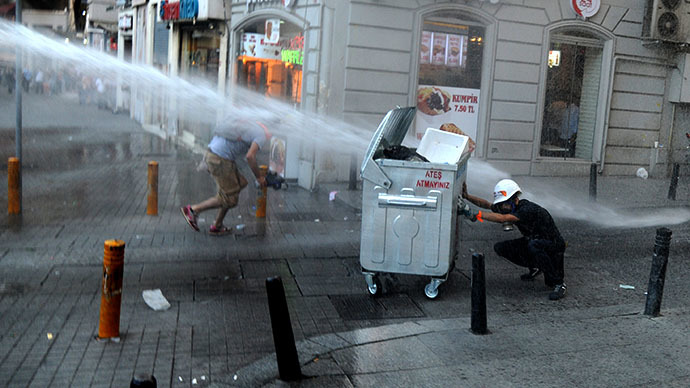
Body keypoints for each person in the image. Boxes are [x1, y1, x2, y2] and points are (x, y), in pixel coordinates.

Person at [461, 179, 567, 300]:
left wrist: (477, 214)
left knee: (534, 247)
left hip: (553, 245)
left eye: (505, 204)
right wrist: (467, 197)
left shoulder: (527, 209)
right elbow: (487, 204)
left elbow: (503, 218)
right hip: (534, 241)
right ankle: (536, 266)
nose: (503, 207)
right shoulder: (507, 206)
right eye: (501, 204)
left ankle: (559, 284)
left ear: (515, 200)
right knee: (501, 248)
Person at [180, 118, 272, 236]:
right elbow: (250, 156)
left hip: (214, 154)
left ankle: (217, 225)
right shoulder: (261, 134)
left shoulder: (250, 124)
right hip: (221, 159)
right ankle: (193, 210)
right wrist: (259, 177)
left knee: (240, 184)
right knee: (230, 199)